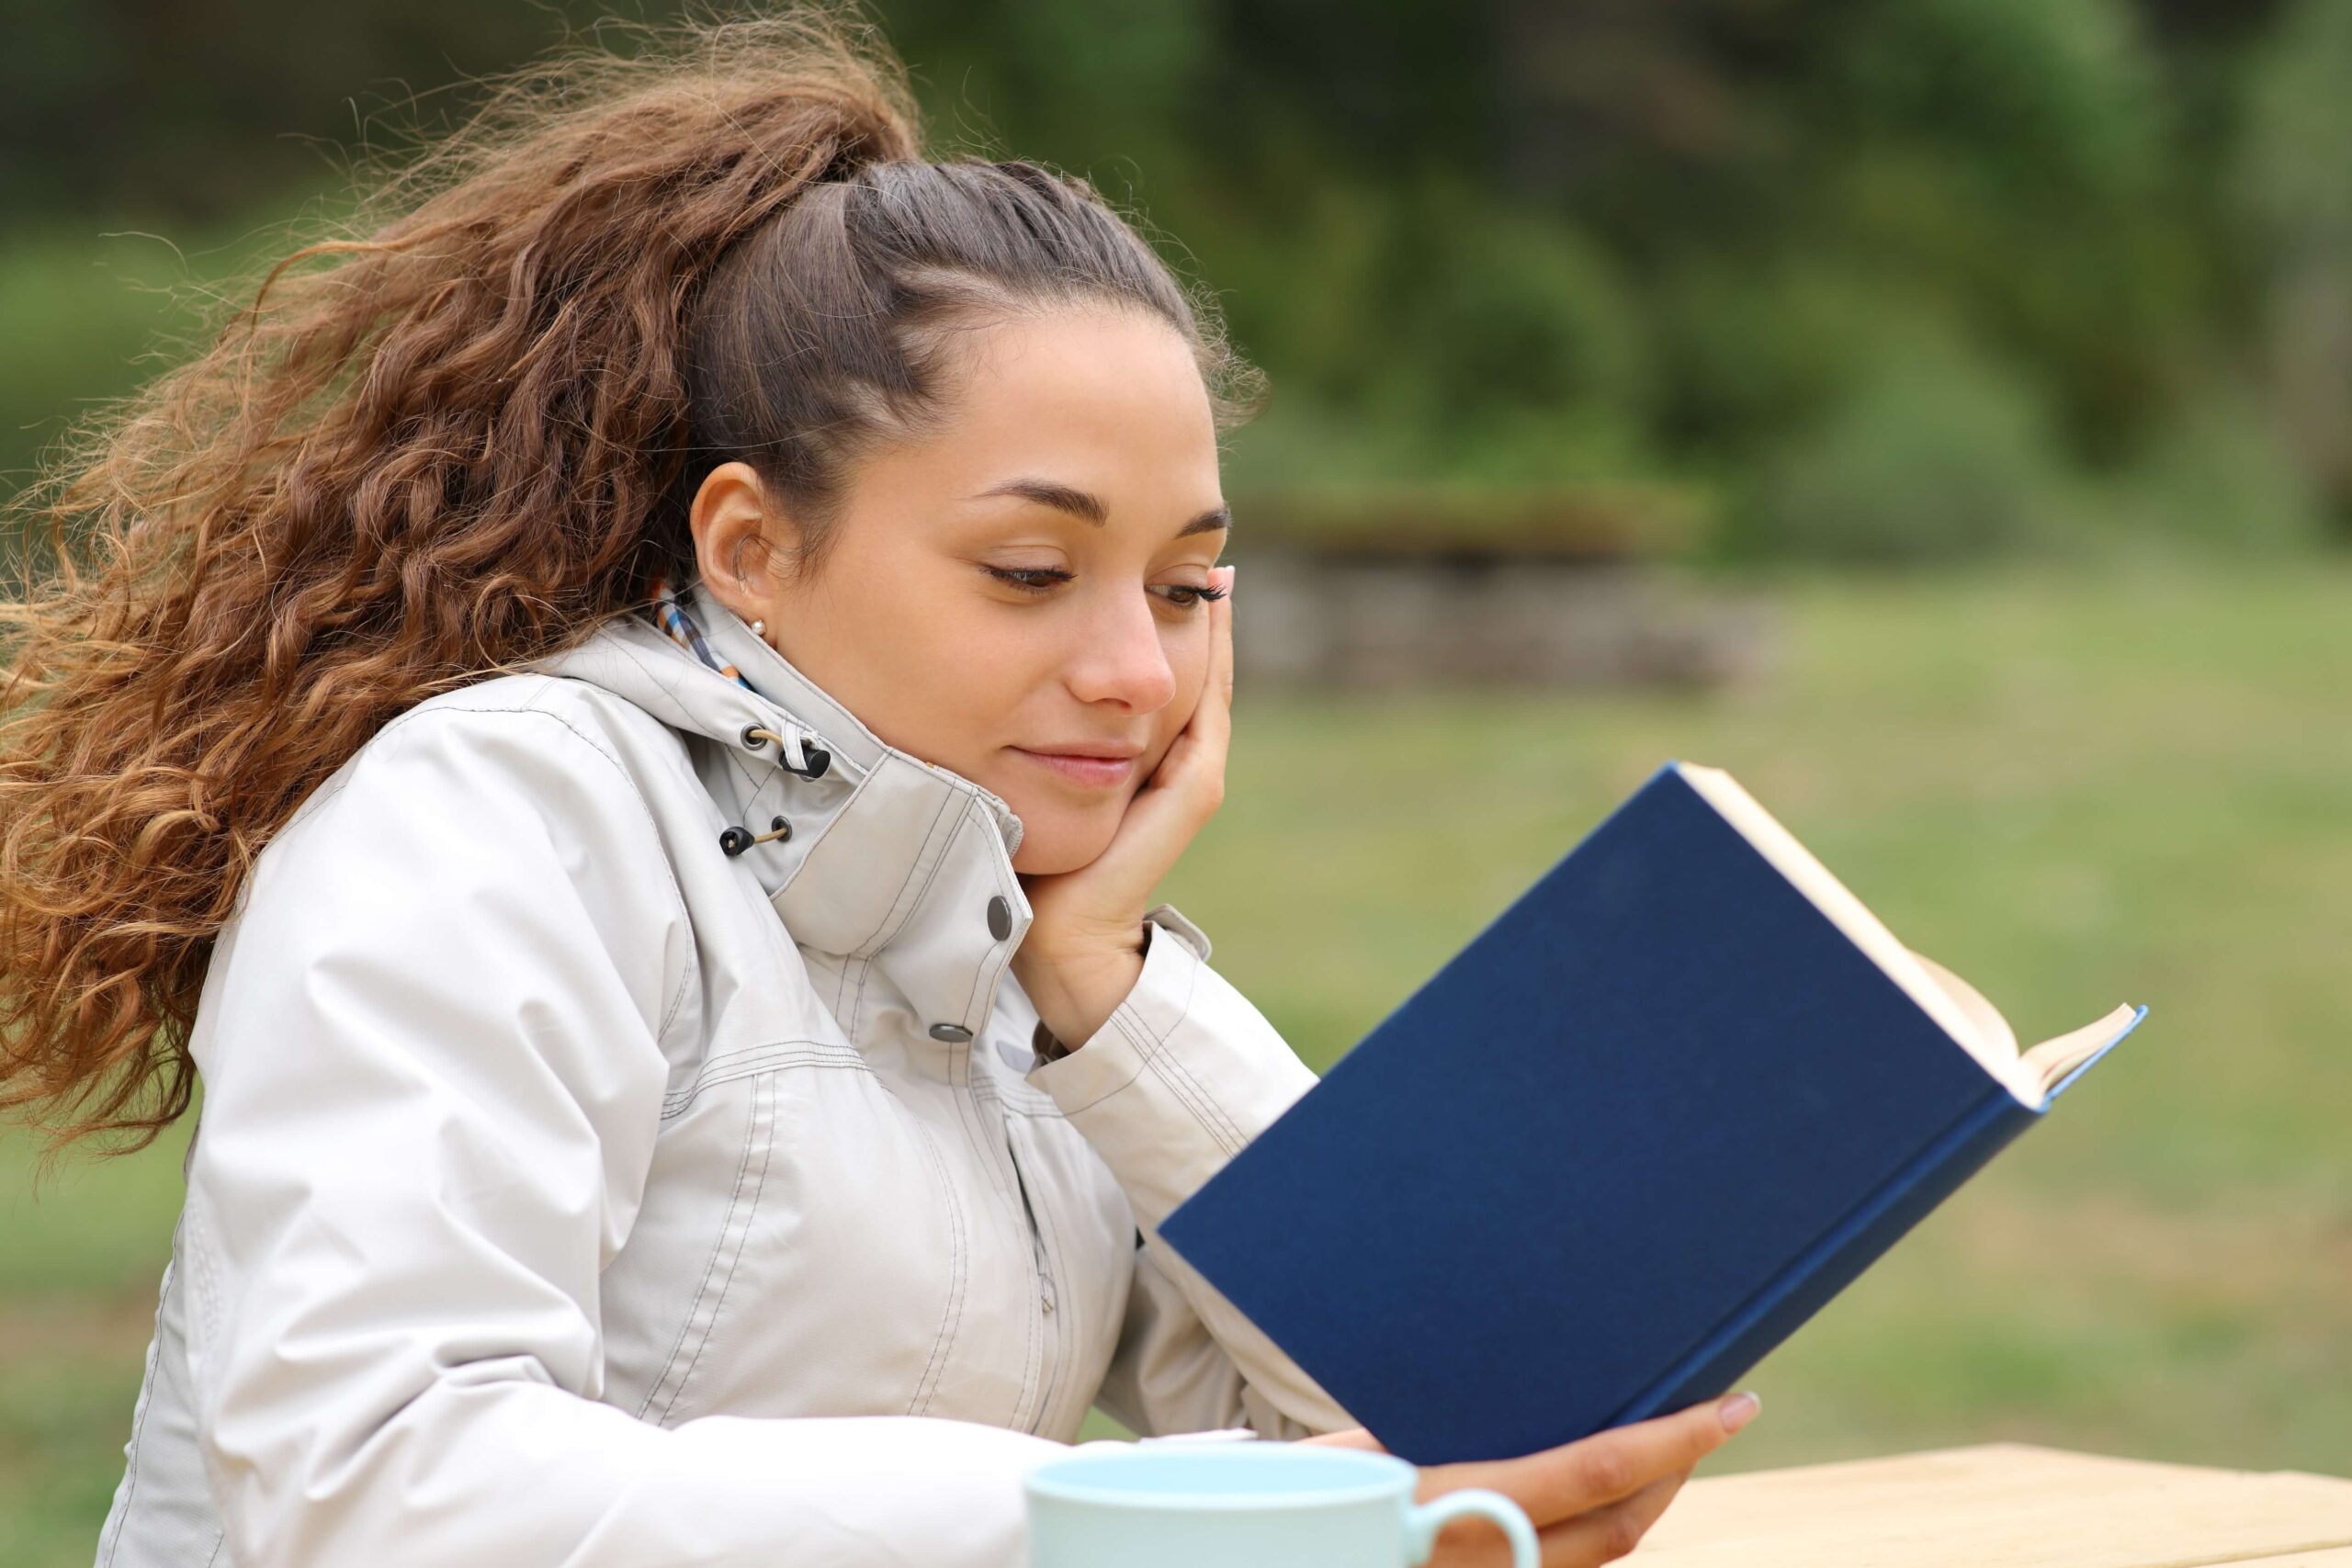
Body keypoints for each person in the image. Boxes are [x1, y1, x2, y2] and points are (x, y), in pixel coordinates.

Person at [0, 9, 1758, 1566]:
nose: (1137, 672)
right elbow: (377, 1490)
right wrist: (1098, 1523)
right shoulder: (492, 819)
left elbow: (1430, 1414)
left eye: (1187, 585)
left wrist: (1116, 998)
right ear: (752, 545)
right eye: (1028, 573)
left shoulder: (1011, 937)